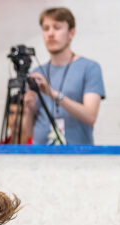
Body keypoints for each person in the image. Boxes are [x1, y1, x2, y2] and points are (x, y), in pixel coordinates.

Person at [23, 7, 105, 145]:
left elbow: (91, 116)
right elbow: (27, 132)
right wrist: (28, 109)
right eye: (46, 28)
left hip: (77, 153)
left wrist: (53, 94)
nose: (50, 33)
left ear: (71, 33)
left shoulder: (89, 68)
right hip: (41, 153)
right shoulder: (36, 73)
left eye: (57, 27)